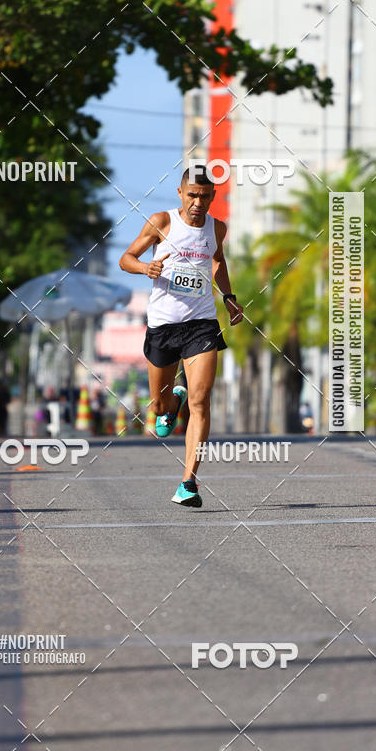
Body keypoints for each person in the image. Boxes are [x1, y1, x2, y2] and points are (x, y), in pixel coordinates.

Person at [119, 167, 243, 508]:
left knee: (201, 401)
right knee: (158, 405)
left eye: (204, 197)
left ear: (213, 197)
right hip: (163, 326)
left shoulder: (217, 228)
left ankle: (189, 482)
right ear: (180, 192)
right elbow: (125, 258)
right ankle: (168, 404)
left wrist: (229, 298)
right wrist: (146, 268)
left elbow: (217, 262)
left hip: (201, 323)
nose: (197, 203)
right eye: (192, 195)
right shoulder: (162, 222)